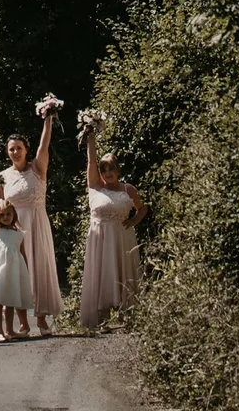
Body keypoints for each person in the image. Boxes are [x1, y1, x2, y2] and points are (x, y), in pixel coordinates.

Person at [0, 104, 64, 333]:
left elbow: (45, 145)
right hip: (15, 229)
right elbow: (0, 208)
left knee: (39, 267)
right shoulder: (2, 176)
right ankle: (23, 321)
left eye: (19, 148)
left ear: (26, 149)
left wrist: (48, 119)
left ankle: (42, 318)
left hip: (37, 223)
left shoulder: (38, 168)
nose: (15, 152)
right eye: (11, 149)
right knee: (19, 272)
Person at [75, 121, 147, 329]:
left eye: (111, 170)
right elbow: (91, 162)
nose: (107, 174)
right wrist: (90, 136)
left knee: (123, 272)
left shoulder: (128, 189)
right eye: (104, 171)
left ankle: (127, 315)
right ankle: (103, 318)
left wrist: (133, 221)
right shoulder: (95, 187)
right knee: (102, 274)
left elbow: (142, 208)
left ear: (118, 170)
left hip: (122, 238)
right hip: (100, 239)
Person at [0, 197, 32, 341]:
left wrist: (26, 270)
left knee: (10, 300)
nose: (5, 217)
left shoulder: (19, 234)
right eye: (2, 215)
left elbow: (22, 253)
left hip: (13, 270)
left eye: (8, 214)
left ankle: (10, 330)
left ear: (14, 215)